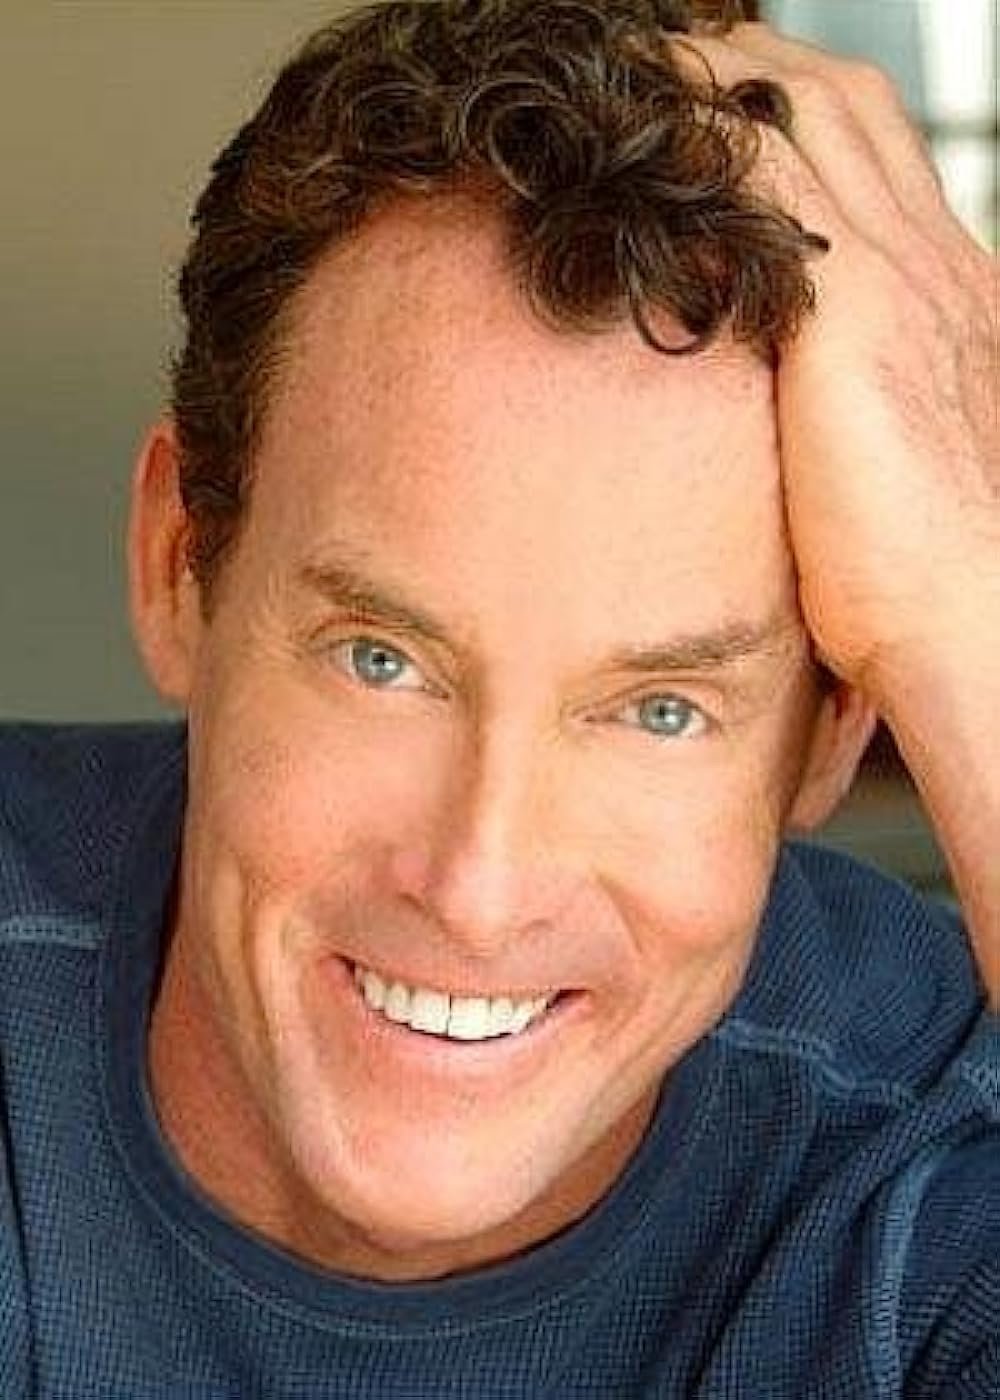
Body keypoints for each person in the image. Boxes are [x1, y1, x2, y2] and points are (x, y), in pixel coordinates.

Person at [1, 0, 997, 1394]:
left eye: (660, 709)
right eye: (382, 659)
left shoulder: (918, 1155)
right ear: (181, 567)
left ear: (835, 728)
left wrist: (967, 617)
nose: (478, 890)